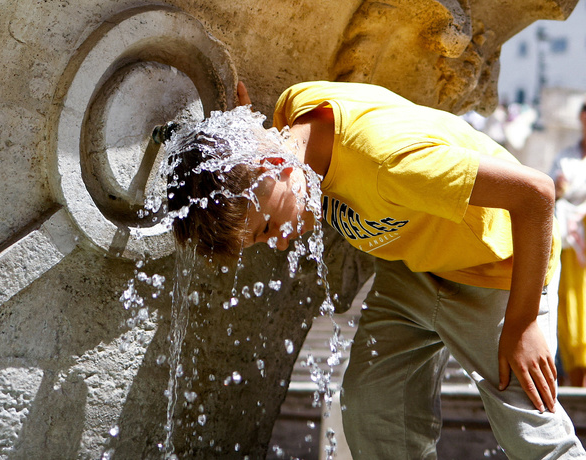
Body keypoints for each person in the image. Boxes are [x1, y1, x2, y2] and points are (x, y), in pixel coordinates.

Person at [164, 81, 586, 458]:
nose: (279, 242)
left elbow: (536, 194)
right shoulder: (292, 121)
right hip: (413, 272)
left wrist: (522, 322)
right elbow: (245, 144)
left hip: (498, 274)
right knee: (374, 409)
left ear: (276, 165)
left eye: (269, 227)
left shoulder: (389, 165)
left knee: (532, 434)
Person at [550, 102, 586, 387]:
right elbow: (551, 192)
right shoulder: (566, 158)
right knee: (571, 322)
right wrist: (558, 189)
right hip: (570, 247)